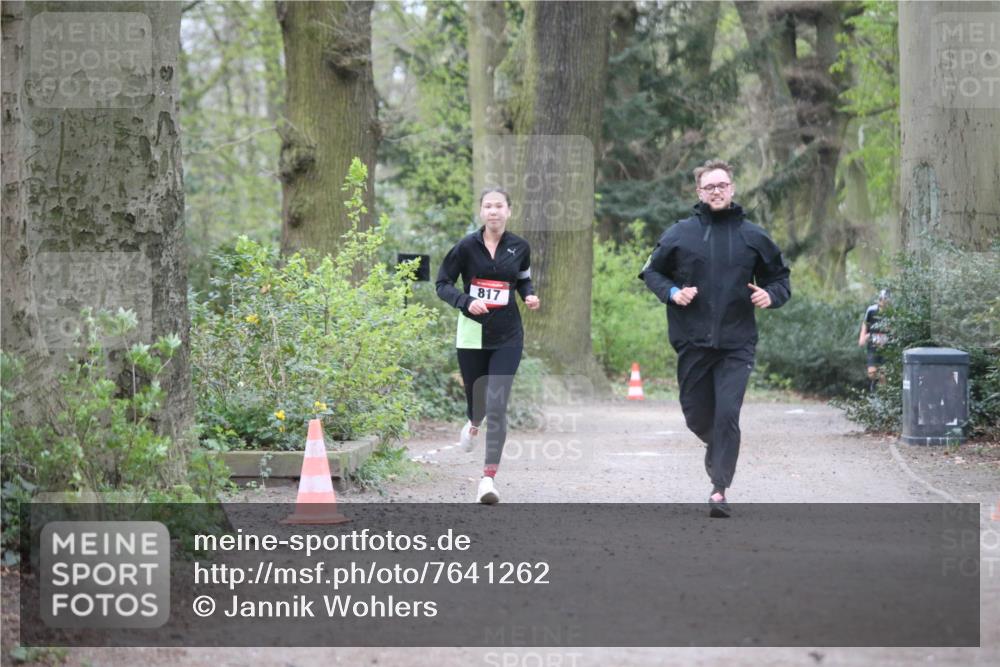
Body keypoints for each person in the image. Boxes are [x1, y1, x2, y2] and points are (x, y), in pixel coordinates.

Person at [639, 159, 791, 518]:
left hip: (737, 343)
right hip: (691, 342)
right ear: (699, 192)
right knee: (696, 415)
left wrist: (771, 296)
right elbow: (651, 272)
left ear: (733, 188)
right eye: (710, 187)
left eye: (722, 185)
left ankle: (719, 489)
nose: (717, 191)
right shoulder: (680, 233)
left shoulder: (753, 236)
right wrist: (673, 292)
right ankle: (719, 446)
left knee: (727, 413)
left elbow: (780, 279)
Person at [436, 187, 540, 504]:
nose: (493, 211)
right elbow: (442, 284)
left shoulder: (520, 247)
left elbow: (522, 279)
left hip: (508, 336)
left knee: (496, 406)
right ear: (482, 212)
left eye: (499, 206)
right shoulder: (466, 247)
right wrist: (467, 301)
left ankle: (488, 479)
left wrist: (529, 295)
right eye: (488, 206)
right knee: (478, 403)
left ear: (508, 211)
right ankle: (471, 421)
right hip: (472, 335)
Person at [859, 289, 890, 392]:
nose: (882, 302)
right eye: (881, 300)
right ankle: (874, 382)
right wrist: (863, 336)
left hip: (887, 347)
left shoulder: (892, 313)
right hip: (873, 345)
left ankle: (882, 397)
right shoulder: (871, 310)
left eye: (885, 300)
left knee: (883, 374)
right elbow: (865, 323)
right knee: (872, 373)